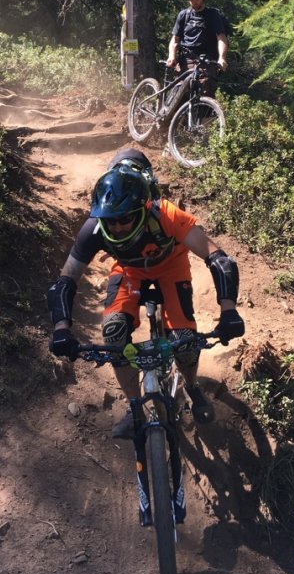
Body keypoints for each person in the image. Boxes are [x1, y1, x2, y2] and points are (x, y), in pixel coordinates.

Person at [47, 148, 245, 438]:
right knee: (114, 333)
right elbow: (65, 281)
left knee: (186, 343)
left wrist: (228, 310)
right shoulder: (95, 228)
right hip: (129, 272)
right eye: (110, 219)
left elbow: (218, 258)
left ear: (143, 206)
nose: (115, 226)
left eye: (124, 218)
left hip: (171, 268)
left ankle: (191, 386)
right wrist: (62, 328)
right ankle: (136, 406)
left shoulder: (165, 213)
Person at [166, 0, 229, 97]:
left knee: (205, 91)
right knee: (179, 93)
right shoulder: (184, 15)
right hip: (185, 59)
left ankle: (203, 115)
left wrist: (222, 58)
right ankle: (169, 113)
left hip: (206, 60)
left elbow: (221, 38)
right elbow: (175, 39)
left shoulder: (212, 15)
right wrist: (171, 56)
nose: (193, 1)